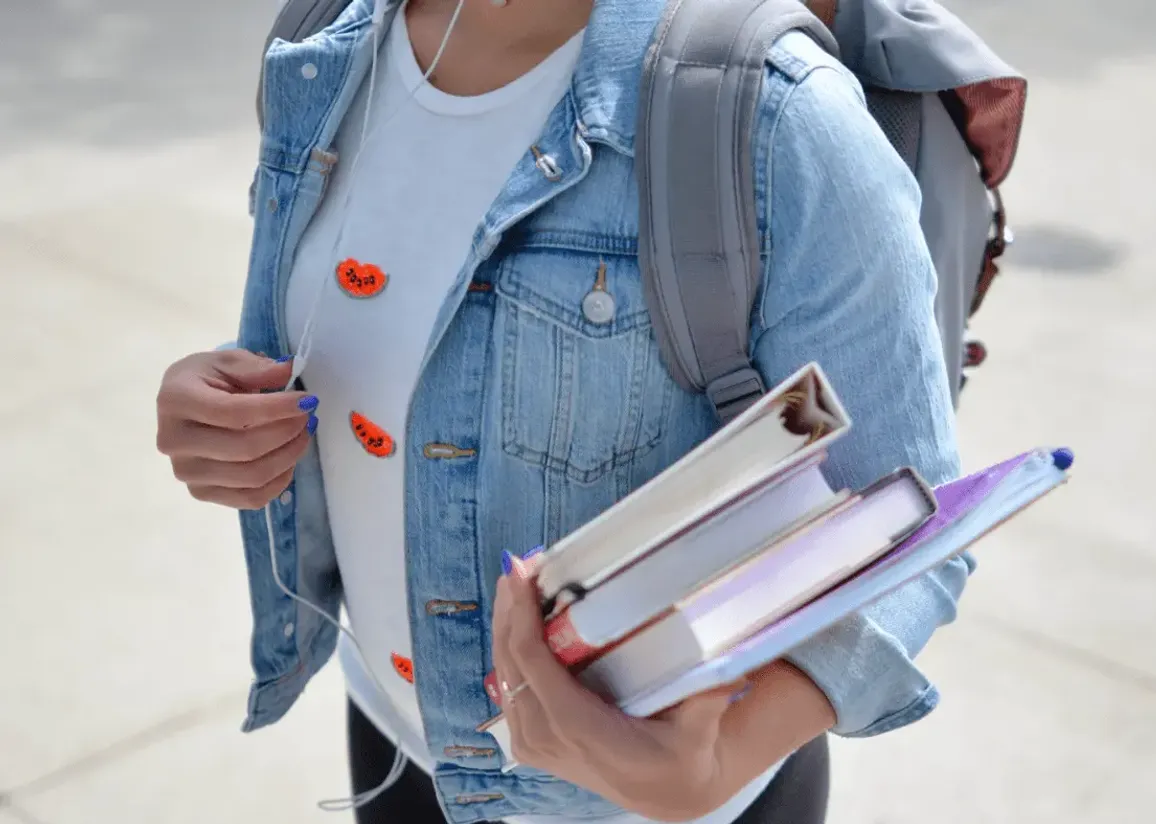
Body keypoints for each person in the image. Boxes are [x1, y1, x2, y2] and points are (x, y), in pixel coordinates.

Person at [153, 0, 972, 822]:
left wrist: (722, 759)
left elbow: (908, 517)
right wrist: (229, 419)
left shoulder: (775, 115)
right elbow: (359, 351)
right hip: (394, 745)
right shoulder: (323, 42)